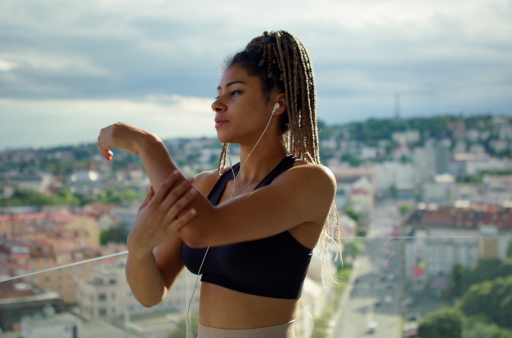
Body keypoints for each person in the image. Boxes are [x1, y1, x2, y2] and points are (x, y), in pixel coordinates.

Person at [97, 30, 338, 338]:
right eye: (218, 92)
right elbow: (150, 294)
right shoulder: (206, 185)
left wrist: (149, 145)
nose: (216, 104)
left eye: (235, 92)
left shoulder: (309, 181)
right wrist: (138, 248)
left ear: (278, 104)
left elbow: (203, 230)